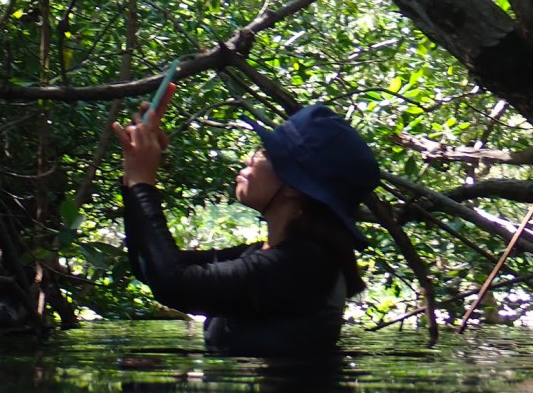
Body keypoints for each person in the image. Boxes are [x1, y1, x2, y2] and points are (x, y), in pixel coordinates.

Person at [113, 103, 380, 355]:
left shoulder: (302, 266)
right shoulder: (279, 256)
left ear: (292, 186)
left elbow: (173, 282)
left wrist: (142, 183)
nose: (251, 158)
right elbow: (151, 267)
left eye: (266, 152)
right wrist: (132, 177)